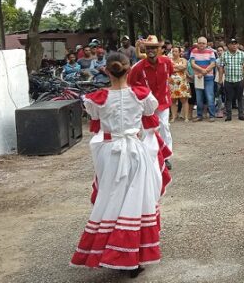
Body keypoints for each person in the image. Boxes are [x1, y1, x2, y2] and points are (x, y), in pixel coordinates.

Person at [70, 53, 171, 277]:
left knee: (110, 197)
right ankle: (131, 255)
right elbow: (150, 118)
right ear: (129, 70)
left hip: (110, 151)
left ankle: (106, 249)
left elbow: (95, 125)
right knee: (136, 199)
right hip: (135, 150)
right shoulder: (142, 95)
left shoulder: (95, 99)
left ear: (106, 71)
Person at [128, 35, 174, 170]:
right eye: (148, 48)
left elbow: (169, 74)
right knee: (147, 130)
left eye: (154, 48)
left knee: (164, 126)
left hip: (163, 101)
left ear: (159, 49)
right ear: (145, 49)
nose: (151, 50)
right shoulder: (138, 67)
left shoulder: (166, 62)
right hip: (146, 104)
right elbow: (130, 84)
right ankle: (147, 156)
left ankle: (166, 157)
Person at [189, 37, 217, 122]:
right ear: (197, 43)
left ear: (206, 44)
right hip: (198, 78)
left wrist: (203, 72)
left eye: (203, 43)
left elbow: (213, 64)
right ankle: (199, 115)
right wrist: (202, 71)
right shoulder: (193, 51)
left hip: (208, 77)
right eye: (200, 43)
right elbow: (192, 63)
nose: (201, 45)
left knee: (210, 96)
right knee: (199, 97)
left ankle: (212, 115)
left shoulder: (211, 52)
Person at [222, 38, 244, 122]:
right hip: (228, 80)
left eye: (235, 43)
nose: (234, 45)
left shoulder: (242, 54)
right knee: (228, 98)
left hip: (239, 79)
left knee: (240, 97)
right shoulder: (224, 54)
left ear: (238, 45)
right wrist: (220, 79)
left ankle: (241, 115)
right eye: (232, 43)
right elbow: (221, 67)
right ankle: (228, 115)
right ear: (228, 45)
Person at [169, 46, 190, 122]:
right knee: (173, 100)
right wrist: (178, 67)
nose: (174, 53)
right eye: (173, 51)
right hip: (172, 82)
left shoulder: (183, 60)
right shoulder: (169, 60)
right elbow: (169, 69)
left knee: (184, 99)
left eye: (176, 51)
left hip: (182, 82)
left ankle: (186, 117)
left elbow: (184, 67)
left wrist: (174, 67)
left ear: (180, 52)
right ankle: (173, 117)